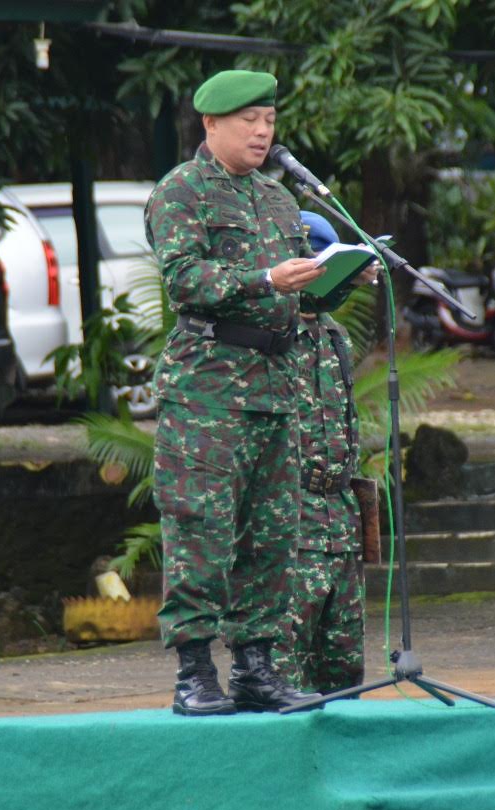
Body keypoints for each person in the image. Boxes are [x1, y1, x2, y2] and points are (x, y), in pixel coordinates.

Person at [145, 69, 324, 715]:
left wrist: (327, 285)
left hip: (276, 388)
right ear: (211, 123)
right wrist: (263, 279)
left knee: (272, 534)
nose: (262, 131)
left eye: (270, 120)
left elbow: (294, 283)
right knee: (202, 530)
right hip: (207, 392)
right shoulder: (181, 192)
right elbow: (186, 278)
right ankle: (195, 673)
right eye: (249, 120)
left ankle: (257, 668)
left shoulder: (279, 200)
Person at [273, 211, 367, 695]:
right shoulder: (269, 337)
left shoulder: (335, 336)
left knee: (345, 668)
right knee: (285, 671)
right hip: (291, 522)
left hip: (340, 518)